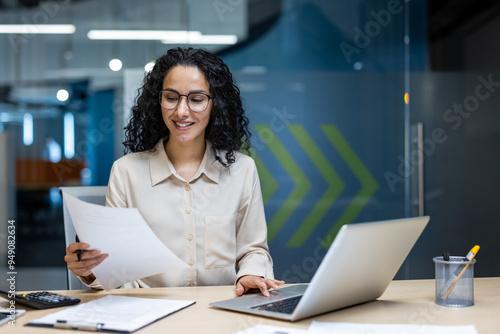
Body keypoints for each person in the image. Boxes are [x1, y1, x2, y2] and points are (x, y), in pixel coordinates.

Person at [65, 47, 284, 297]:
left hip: (220, 314)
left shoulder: (242, 170)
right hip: (148, 315)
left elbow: (253, 249)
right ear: (158, 101)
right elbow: (117, 269)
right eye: (171, 97)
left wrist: (250, 274)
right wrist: (90, 270)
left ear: (216, 104)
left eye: (197, 99)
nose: (181, 111)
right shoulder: (125, 172)